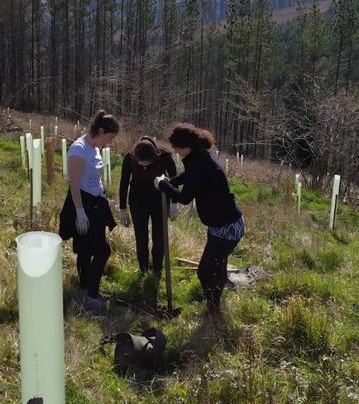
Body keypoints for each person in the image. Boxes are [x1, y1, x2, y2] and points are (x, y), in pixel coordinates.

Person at [154, 124, 243, 315]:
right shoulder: (198, 157)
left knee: (204, 271)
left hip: (227, 228)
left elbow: (184, 198)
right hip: (222, 223)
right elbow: (188, 177)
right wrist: (172, 181)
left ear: (185, 147)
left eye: (177, 148)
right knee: (217, 267)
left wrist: (163, 185)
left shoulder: (199, 164)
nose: (176, 152)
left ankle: (213, 310)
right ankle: (215, 306)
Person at [58, 110, 120, 315]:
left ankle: (84, 286)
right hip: (82, 204)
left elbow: (94, 177)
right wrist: (80, 212)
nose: (109, 143)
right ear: (101, 131)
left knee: (87, 249)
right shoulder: (78, 150)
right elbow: (74, 184)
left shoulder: (94, 147)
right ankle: (91, 295)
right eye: (109, 138)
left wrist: (103, 195)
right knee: (102, 250)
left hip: (96, 203)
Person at [118, 137, 179, 277]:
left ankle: (157, 269)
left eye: (148, 164)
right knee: (141, 236)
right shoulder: (129, 157)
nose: (144, 167)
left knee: (159, 236)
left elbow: (175, 178)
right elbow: (124, 183)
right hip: (137, 200)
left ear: (154, 157)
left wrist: (175, 203)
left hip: (159, 200)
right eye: (141, 164)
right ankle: (143, 269)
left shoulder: (164, 156)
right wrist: (122, 209)